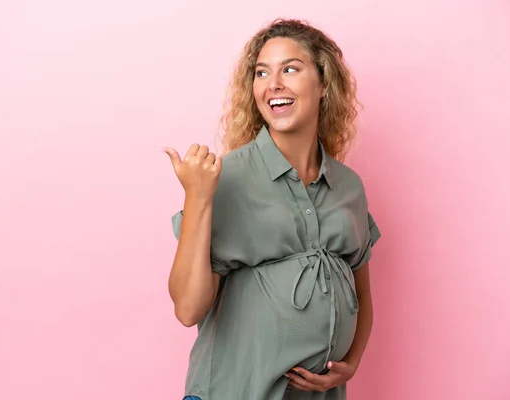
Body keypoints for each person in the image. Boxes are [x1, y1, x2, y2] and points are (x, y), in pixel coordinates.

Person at [162, 18, 381, 400]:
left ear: (324, 84)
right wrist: (197, 199)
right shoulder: (226, 178)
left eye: (290, 69)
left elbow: (362, 296)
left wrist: (354, 359)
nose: (273, 83)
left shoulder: (349, 187)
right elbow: (187, 309)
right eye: (262, 72)